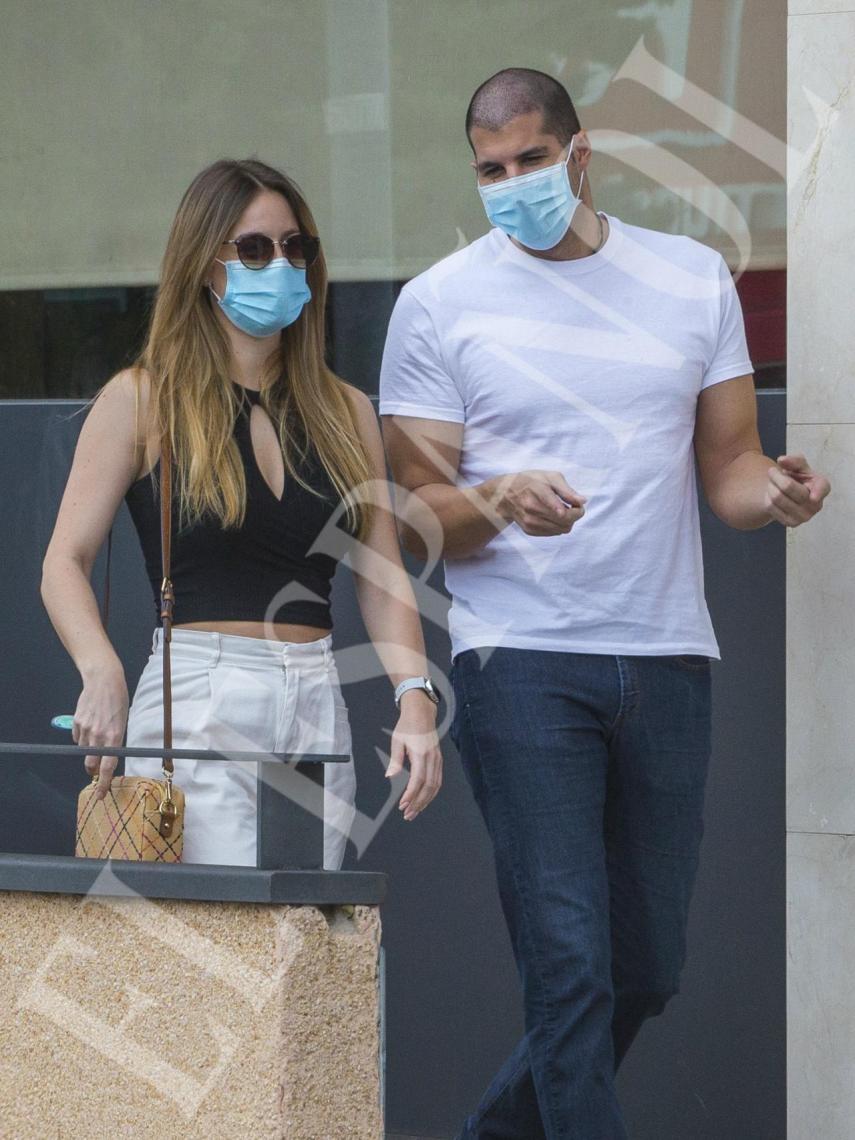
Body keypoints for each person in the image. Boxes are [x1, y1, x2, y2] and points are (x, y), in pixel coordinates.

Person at [378, 68, 831, 1138]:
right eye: (491, 170)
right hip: (521, 660)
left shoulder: (690, 279)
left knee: (648, 967)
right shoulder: (440, 302)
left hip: (666, 654)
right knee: (569, 963)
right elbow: (413, 518)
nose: (513, 183)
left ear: (581, 156)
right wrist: (497, 496)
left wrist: (774, 493)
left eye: (532, 160)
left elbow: (728, 472)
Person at [40, 157, 443, 871]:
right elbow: (64, 562)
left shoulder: (343, 409)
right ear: (203, 263)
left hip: (315, 691)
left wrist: (413, 697)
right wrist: (100, 666)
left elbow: (380, 576)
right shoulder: (144, 399)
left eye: (296, 247)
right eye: (253, 249)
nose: (278, 263)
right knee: (218, 940)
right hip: (201, 688)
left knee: (310, 940)